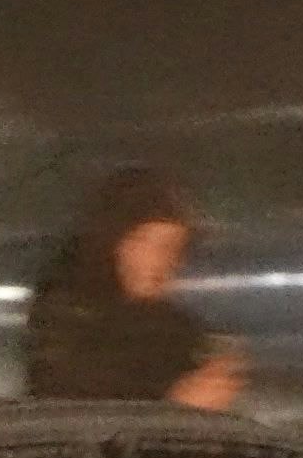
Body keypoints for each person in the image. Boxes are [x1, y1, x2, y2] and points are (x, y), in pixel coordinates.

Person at [22, 165, 245, 408]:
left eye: (175, 248)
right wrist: (180, 411)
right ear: (113, 244)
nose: (165, 262)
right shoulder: (65, 326)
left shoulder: (177, 333)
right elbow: (74, 423)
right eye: (151, 244)